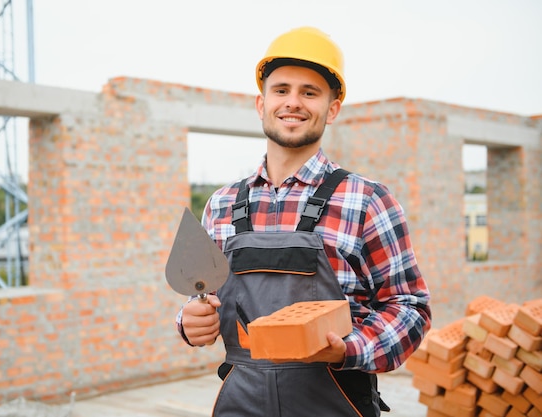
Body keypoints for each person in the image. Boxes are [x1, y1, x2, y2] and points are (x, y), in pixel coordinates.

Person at [175, 26, 431, 417]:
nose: (293, 102)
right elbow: (206, 300)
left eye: (309, 93)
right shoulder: (222, 205)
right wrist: (188, 322)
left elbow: (410, 308)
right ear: (261, 104)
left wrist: (349, 348)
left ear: (332, 109)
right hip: (241, 403)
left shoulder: (367, 201)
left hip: (334, 401)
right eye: (282, 90)